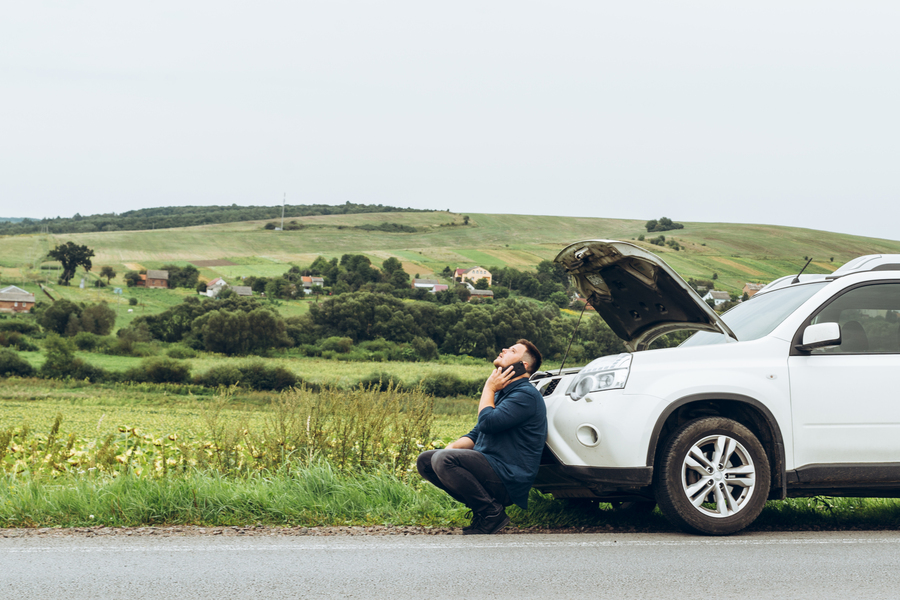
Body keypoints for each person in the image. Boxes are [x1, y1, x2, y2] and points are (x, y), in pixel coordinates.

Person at [417, 339, 547, 535]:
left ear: (523, 365)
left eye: (512, 350)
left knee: (443, 459)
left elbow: (487, 423)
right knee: (426, 460)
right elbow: (477, 433)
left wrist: (488, 388)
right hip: (491, 468)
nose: (504, 349)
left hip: (508, 477)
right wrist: (449, 449)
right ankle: (483, 509)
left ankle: (491, 513)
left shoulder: (525, 395)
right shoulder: (504, 394)